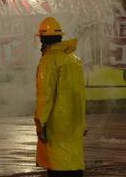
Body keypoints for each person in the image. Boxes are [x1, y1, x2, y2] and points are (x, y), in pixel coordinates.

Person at [35, 17, 86, 177]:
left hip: (56, 124)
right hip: (75, 122)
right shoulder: (74, 60)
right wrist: (82, 122)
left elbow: (45, 94)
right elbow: (80, 95)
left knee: (59, 165)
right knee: (73, 164)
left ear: (42, 39)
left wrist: (40, 122)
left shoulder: (48, 61)